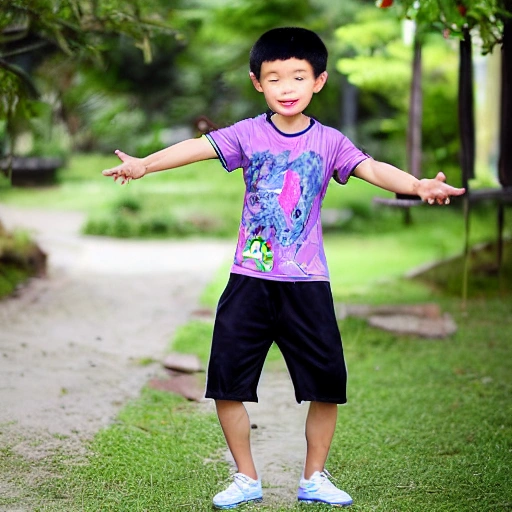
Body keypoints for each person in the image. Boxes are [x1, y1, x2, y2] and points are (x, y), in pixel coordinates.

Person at [102, 27, 465, 509]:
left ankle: (314, 478)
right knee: (226, 381)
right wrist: (146, 163)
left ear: (319, 80)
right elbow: (198, 147)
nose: (287, 87)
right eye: (275, 78)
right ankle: (245, 478)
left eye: (299, 76)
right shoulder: (248, 133)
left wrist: (416, 184)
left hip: (307, 284)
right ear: (259, 83)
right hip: (250, 280)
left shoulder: (330, 141)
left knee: (326, 385)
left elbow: (373, 169)